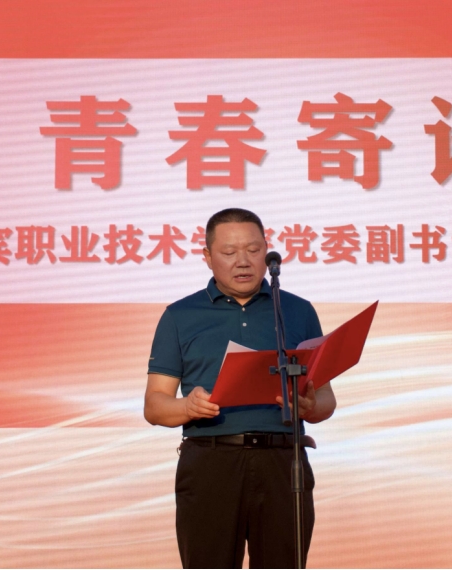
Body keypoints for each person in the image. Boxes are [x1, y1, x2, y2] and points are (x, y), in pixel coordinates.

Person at [144, 208, 336, 569]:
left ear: (267, 252)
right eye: (229, 252)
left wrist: (309, 405)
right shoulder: (180, 315)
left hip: (283, 462)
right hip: (211, 463)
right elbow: (154, 405)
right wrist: (187, 407)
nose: (243, 261)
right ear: (207, 257)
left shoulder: (297, 310)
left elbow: (325, 398)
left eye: (253, 250)